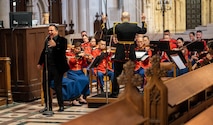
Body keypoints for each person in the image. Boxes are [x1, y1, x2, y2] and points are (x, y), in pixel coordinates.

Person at [102, 11, 147, 97]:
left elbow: (106, 32)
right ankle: (133, 90)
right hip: (131, 53)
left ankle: (115, 92)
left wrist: (104, 21)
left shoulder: (117, 26)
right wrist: (143, 20)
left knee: (117, 73)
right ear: (129, 18)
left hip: (120, 52)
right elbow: (143, 30)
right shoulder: (134, 26)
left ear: (121, 18)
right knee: (131, 72)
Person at [37, 24, 69, 112]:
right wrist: (40, 62)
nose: (50, 32)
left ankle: (61, 105)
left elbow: (62, 51)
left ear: (56, 31)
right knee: (45, 85)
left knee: (57, 86)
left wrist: (56, 46)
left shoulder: (62, 40)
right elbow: (44, 51)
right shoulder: (47, 40)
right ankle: (48, 106)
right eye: (49, 31)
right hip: (48, 67)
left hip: (58, 67)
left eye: (51, 30)